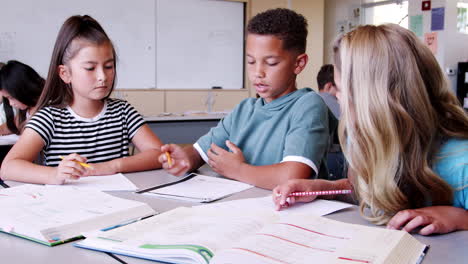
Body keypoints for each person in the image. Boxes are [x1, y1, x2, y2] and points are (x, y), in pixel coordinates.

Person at [273, 24, 468, 235]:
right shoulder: (364, 138)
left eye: (339, 88)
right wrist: (322, 189)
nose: (336, 97)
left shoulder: (461, 162)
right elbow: (371, 193)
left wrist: (459, 218)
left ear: (370, 98)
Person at [158, 8, 332, 190]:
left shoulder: (308, 105)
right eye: (251, 61)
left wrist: (239, 170)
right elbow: (200, 152)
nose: (258, 73)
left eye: (271, 63)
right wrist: (185, 158)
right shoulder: (244, 109)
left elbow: (293, 176)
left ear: (298, 63)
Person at [0, 15, 164, 184]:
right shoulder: (49, 117)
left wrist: (113, 166)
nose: (102, 76)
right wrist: (54, 174)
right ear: (65, 73)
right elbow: (8, 168)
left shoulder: (122, 112)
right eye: (90, 68)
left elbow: (159, 153)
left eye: (109, 66)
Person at [0, 60, 45, 135]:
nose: (10, 103)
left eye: (11, 97)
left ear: (22, 89)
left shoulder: (45, 112)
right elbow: (10, 127)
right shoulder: (28, 108)